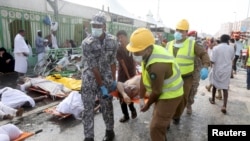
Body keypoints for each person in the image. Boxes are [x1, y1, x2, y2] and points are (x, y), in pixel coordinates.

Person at [126, 28, 184, 141]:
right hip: (164, 92)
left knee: (155, 127)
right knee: (158, 122)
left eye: (136, 51)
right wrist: (142, 97)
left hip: (171, 95)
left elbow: (157, 91)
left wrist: (147, 105)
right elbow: (143, 76)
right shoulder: (149, 52)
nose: (134, 54)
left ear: (147, 49)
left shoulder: (157, 65)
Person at [81, 11, 118, 141]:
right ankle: (89, 136)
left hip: (107, 77)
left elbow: (113, 62)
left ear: (104, 26)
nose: (95, 28)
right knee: (88, 108)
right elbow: (93, 67)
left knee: (107, 105)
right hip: (90, 78)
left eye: (98, 25)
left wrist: (113, 80)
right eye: (94, 25)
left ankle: (109, 131)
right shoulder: (87, 43)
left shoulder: (113, 41)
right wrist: (101, 85)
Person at [166, 19, 210, 124]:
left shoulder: (192, 44)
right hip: (170, 78)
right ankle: (167, 119)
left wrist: (205, 66)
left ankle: (176, 116)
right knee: (168, 99)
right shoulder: (168, 44)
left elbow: (204, 54)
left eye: (182, 31)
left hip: (186, 78)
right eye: (177, 30)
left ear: (186, 32)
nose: (179, 33)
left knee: (183, 99)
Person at [209, 34, 235, 114]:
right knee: (225, 88)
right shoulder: (231, 49)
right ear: (227, 40)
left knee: (214, 85)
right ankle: (224, 105)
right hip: (226, 70)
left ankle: (213, 99)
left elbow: (212, 60)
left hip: (217, 69)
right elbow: (232, 59)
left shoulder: (216, 48)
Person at [116, 30, 137, 123]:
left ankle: (132, 110)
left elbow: (134, 60)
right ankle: (125, 115)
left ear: (126, 37)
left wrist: (134, 73)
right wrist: (128, 77)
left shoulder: (131, 47)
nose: (120, 39)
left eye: (122, 37)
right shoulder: (119, 49)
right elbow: (122, 63)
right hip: (122, 75)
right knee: (121, 95)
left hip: (132, 73)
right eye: (119, 37)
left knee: (130, 93)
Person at [186, 30, 202, 114]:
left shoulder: (199, 45)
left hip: (195, 71)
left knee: (193, 88)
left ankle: (189, 105)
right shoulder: (184, 45)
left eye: (194, 35)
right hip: (185, 71)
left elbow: (203, 55)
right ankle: (180, 106)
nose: (193, 36)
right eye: (191, 35)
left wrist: (204, 67)